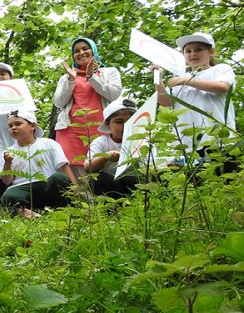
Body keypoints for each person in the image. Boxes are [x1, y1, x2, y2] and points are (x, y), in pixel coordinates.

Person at [153, 32, 237, 161]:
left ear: (211, 51)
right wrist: (158, 79)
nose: (193, 54)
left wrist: (186, 81)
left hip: (219, 138)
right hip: (189, 143)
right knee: (195, 180)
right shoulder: (181, 78)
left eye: (199, 49)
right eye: (188, 51)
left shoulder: (220, 69)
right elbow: (165, 102)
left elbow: (223, 87)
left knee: (224, 176)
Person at [52, 38, 122, 179]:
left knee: (99, 166)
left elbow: (114, 94)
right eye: (76, 51)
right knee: (72, 173)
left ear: (93, 51)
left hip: (101, 129)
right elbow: (59, 102)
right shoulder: (65, 77)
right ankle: (76, 199)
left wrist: (91, 77)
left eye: (85, 48)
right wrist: (71, 80)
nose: (81, 53)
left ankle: (98, 199)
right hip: (70, 130)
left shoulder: (109, 72)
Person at [0, 110, 77, 216]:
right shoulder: (7, 152)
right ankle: (30, 213)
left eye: (18, 124)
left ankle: (63, 211)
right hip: (23, 187)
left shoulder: (49, 144)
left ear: (32, 126)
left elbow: (64, 168)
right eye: (10, 125)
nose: (13, 128)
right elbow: (7, 181)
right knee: (9, 196)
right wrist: (7, 163)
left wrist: (76, 192)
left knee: (59, 178)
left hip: (46, 184)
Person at [84, 98, 138, 198]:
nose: (125, 126)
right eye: (119, 122)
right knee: (98, 179)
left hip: (136, 183)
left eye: (130, 121)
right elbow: (88, 168)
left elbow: (153, 165)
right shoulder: (101, 142)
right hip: (112, 184)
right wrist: (105, 157)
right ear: (108, 125)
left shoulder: (142, 141)